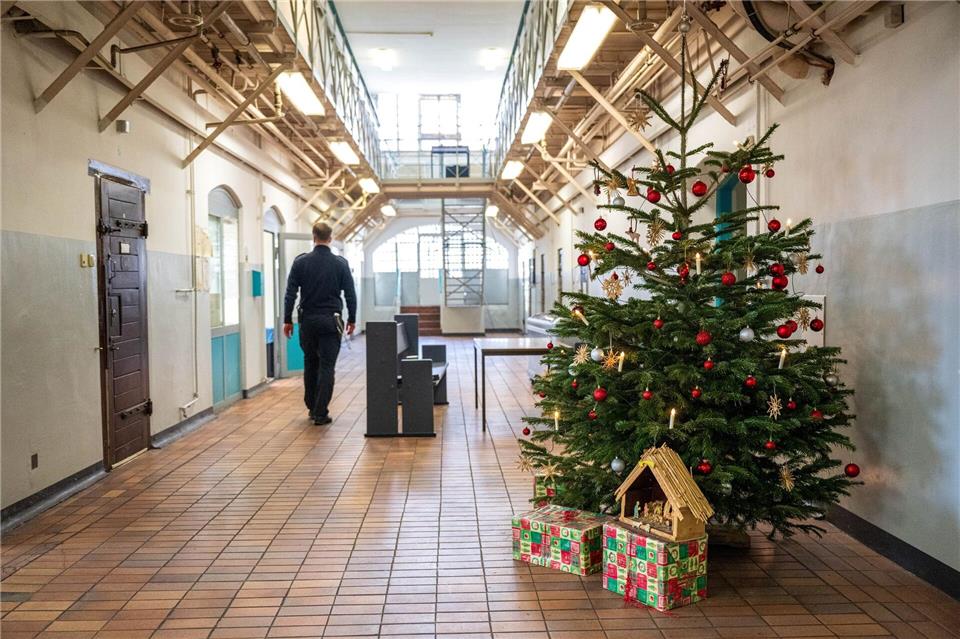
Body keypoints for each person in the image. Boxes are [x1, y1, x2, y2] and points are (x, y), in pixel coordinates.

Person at [283, 221, 356, 425]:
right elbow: (350, 294)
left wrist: (287, 320)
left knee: (310, 362)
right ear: (330, 239)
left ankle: (311, 406)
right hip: (331, 322)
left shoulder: (300, 262)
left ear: (313, 237)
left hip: (308, 321)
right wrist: (352, 319)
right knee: (327, 366)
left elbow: (290, 294)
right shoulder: (340, 264)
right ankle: (320, 412)